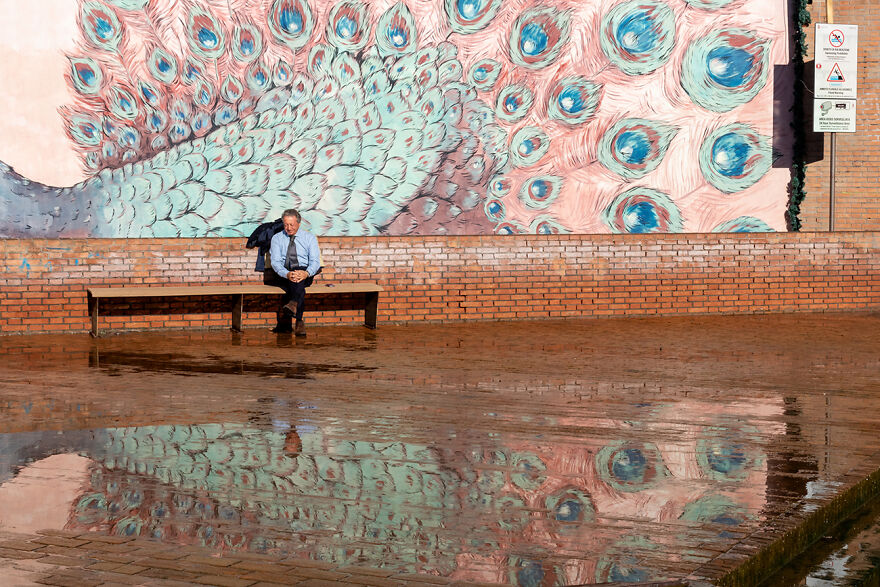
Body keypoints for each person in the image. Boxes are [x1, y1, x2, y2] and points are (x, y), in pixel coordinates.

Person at [267, 209, 321, 336]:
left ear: (299, 223)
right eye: (286, 224)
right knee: (297, 283)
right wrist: (286, 274)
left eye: (292, 225)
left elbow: (315, 261)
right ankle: (299, 321)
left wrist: (306, 273)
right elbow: (275, 262)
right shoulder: (277, 238)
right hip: (284, 273)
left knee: (298, 278)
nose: (289, 228)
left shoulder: (309, 238)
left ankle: (292, 306)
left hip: (305, 273)